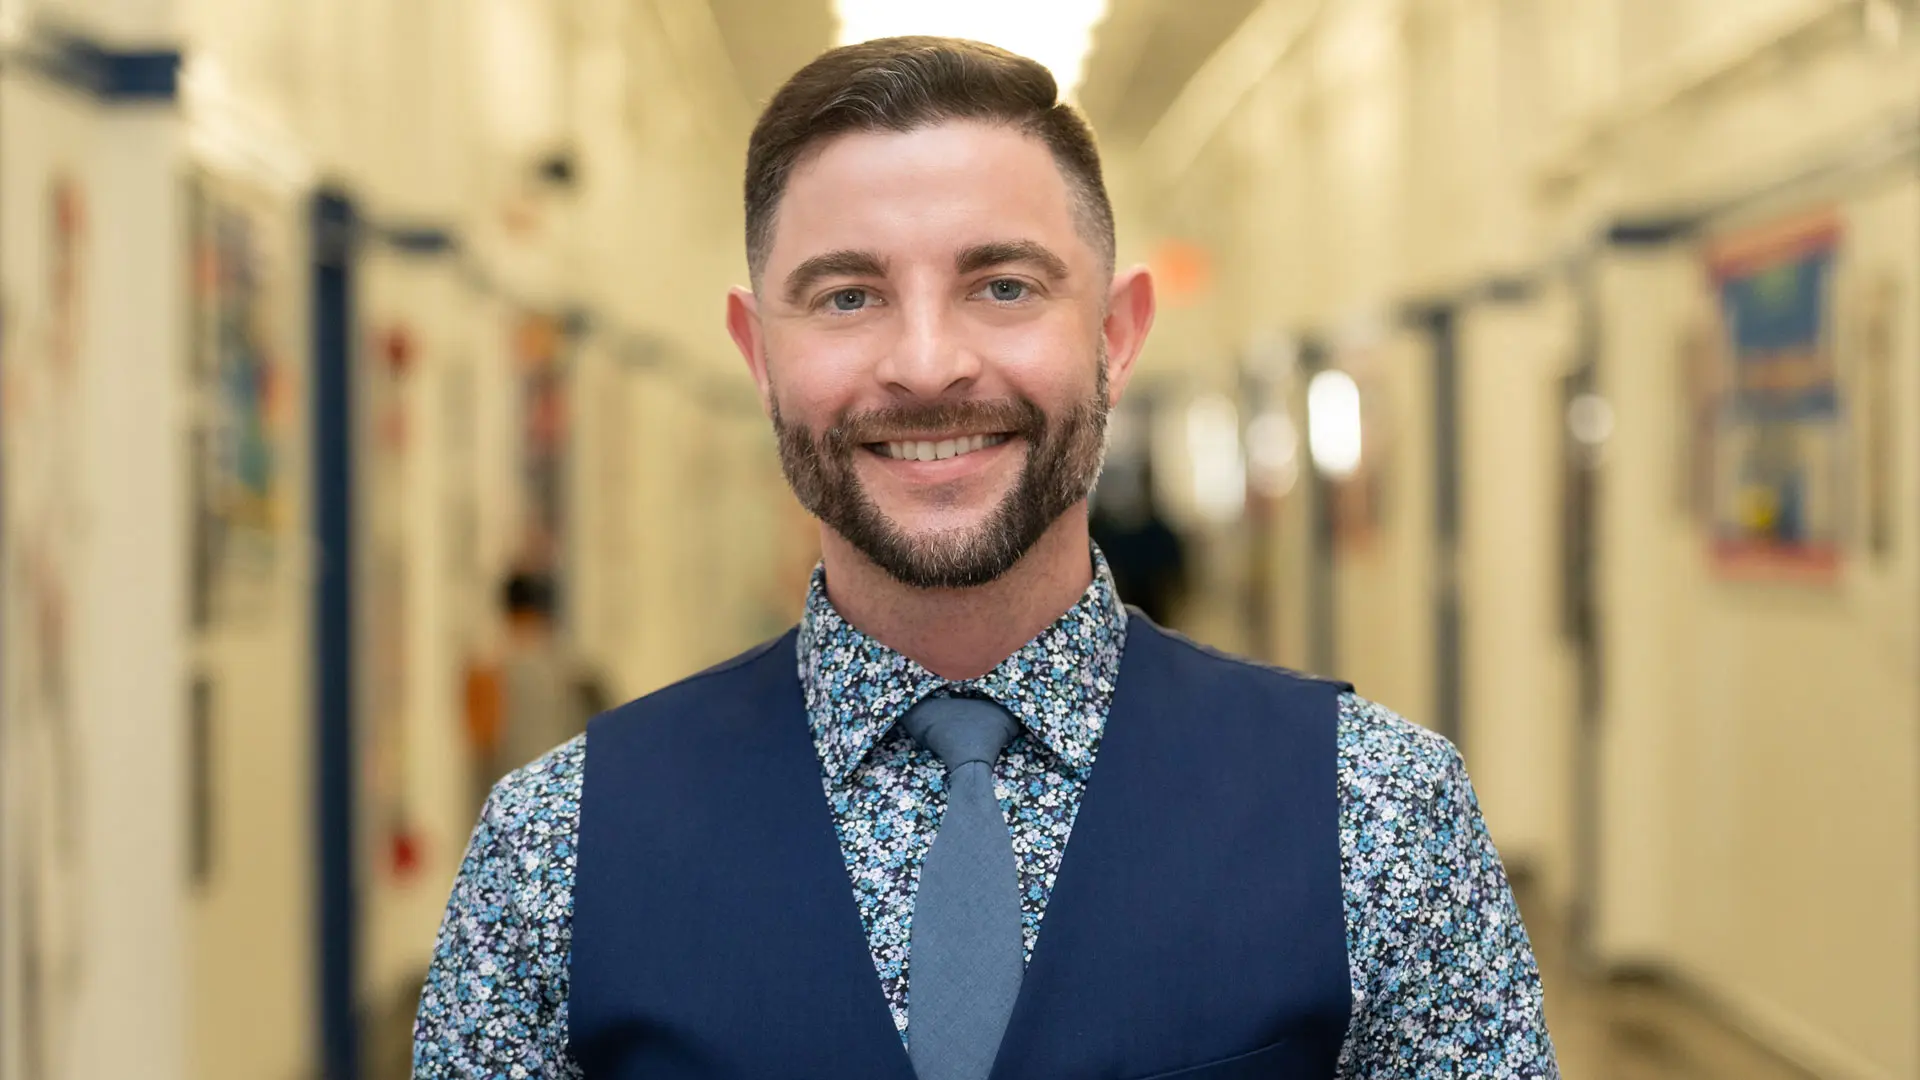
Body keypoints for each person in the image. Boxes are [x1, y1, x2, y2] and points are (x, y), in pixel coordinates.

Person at [414, 37, 1558, 1080]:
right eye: (848, 295)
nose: (925, 364)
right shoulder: (553, 849)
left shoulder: (1380, 814)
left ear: (1115, 335)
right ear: (758, 356)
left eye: (1002, 285)